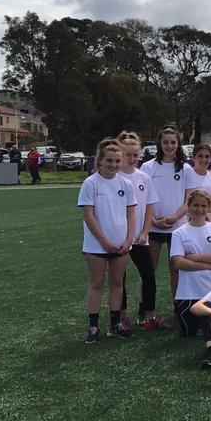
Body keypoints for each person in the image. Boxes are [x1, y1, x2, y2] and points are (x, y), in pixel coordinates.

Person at [79, 138, 136, 343]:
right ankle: (93, 326)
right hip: (96, 245)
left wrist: (128, 240)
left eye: (117, 161)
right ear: (100, 160)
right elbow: (89, 216)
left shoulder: (126, 184)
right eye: (109, 160)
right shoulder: (91, 183)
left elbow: (131, 215)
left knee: (117, 283)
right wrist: (104, 241)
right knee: (97, 283)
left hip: (120, 245)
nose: (113, 165)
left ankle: (115, 324)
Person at [117, 131, 163, 332]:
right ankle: (122, 317)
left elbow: (149, 206)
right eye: (128, 155)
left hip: (139, 238)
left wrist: (145, 232)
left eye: (135, 155)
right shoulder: (114, 177)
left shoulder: (144, 177)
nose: (132, 158)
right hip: (119, 238)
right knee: (119, 278)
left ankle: (148, 316)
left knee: (148, 275)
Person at [140, 126, 188, 313]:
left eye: (173, 142)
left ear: (178, 144)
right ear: (159, 143)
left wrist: (175, 217)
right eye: (165, 142)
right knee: (148, 270)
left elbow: (188, 199)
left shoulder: (185, 168)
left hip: (177, 227)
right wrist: (152, 220)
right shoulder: (148, 167)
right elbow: (142, 198)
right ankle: (145, 310)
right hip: (153, 227)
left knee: (176, 269)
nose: (169, 146)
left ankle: (178, 308)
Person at [170, 189, 211, 336]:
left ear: (209, 207)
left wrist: (193, 258)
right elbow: (178, 263)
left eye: (203, 206)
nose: (199, 209)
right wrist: (209, 266)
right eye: (196, 205)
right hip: (187, 292)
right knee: (188, 334)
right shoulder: (179, 233)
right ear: (189, 206)